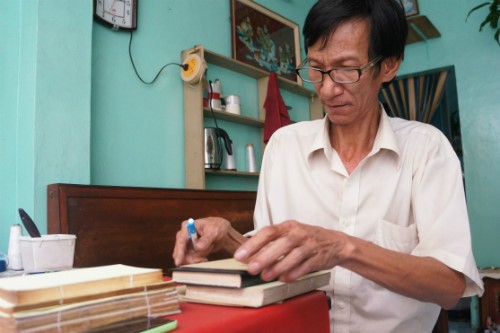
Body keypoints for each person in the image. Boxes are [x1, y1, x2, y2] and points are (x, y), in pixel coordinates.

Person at [173, 0, 484, 332]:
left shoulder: (426, 149)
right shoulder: (284, 147)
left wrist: (344, 248)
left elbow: (450, 287)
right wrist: (228, 238)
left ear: (389, 66)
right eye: (317, 68)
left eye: (346, 69)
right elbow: (274, 260)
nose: (327, 88)